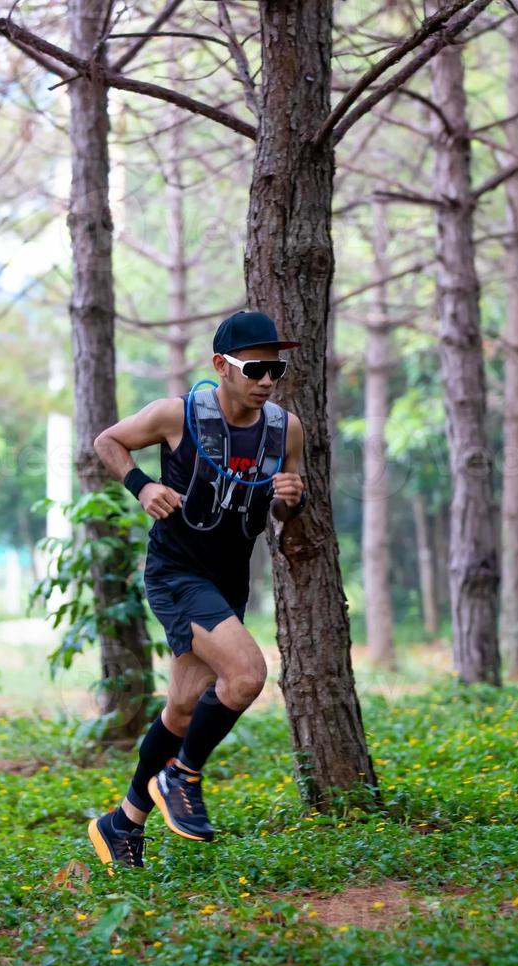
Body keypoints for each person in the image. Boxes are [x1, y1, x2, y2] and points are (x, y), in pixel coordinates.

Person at [86, 310, 308, 869]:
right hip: (177, 574)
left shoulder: (287, 430)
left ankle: (121, 824)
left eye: (274, 370)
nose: (265, 380)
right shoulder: (176, 415)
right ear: (221, 366)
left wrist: (290, 498)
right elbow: (107, 441)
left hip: (230, 579)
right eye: (254, 368)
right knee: (247, 675)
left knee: (182, 710)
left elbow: (287, 516)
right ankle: (181, 776)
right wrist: (142, 486)